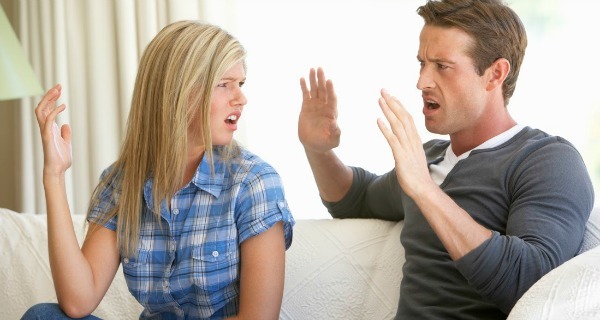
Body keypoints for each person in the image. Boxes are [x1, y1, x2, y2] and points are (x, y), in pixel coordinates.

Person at [298, 0, 594, 319]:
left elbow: (530, 284)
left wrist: (425, 190)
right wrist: (318, 150)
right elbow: (355, 201)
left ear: (495, 74)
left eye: (442, 66)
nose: (422, 82)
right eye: (422, 63)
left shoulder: (546, 160)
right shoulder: (427, 158)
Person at [23, 21, 294, 320]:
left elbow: (258, 318)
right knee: (42, 316)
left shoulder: (255, 182)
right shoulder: (122, 182)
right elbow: (77, 301)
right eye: (224, 84)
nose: (241, 98)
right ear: (179, 89)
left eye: (240, 84)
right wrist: (55, 176)